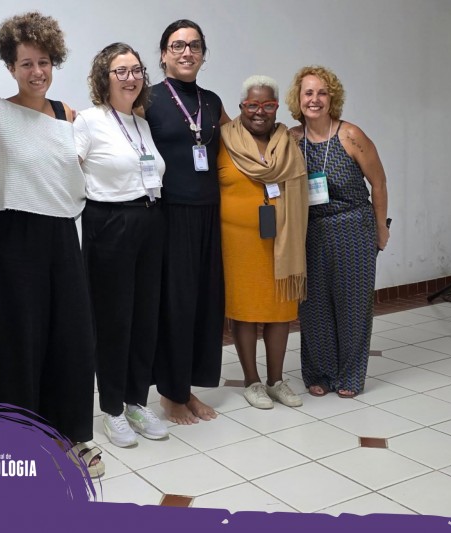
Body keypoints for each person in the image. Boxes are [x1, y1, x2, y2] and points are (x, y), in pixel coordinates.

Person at [0, 12, 102, 477]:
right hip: (10, 237)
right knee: (17, 342)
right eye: (26, 63)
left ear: (54, 63)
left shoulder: (67, 115)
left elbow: (76, 174)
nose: (36, 72)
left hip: (62, 235)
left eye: (43, 62)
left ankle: (70, 436)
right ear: (11, 66)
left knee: (71, 339)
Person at [73, 43, 169, 448]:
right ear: (104, 77)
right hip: (110, 223)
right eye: (121, 71)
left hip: (150, 219)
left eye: (136, 70)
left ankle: (136, 402)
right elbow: (68, 172)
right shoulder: (89, 121)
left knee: (145, 317)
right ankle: (112, 408)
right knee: (114, 321)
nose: (131, 78)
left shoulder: (140, 123)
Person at [286, 65, 390, 399]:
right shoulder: (292, 138)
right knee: (313, 305)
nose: (314, 99)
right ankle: (320, 373)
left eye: (322, 93)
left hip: (353, 228)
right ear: (298, 98)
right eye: (308, 93)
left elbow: (379, 183)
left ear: (333, 99)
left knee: (353, 304)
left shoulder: (350, 135)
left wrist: (381, 228)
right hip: (310, 231)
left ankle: (350, 375)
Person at [145, 19, 230, 425]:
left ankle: (187, 386)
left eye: (194, 46)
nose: (186, 52)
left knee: (203, 305)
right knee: (175, 307)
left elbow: (239, 144)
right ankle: (171, 394)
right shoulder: (148, 98)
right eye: (177, 45)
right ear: (163, 54)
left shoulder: (211, 101)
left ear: (203, 55)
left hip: (209, 212)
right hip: (169, 213)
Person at [219, 75, 308, 409]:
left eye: (268, 105)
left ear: (276, 107)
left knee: (280, 310)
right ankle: (251, 381)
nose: (260, 112)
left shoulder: (288, 141)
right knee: (244, 312)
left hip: (281, 240)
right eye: (253, 105)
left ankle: (276, 380)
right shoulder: (223, 140)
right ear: (242, 106)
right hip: (237, 243)